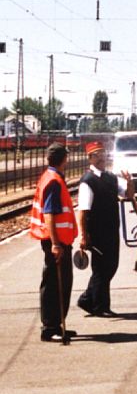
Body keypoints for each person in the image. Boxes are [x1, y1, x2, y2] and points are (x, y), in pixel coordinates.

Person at [75, 141, 134, 317]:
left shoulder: (111, 178)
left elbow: (128, 195)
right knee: (101, 268)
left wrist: (130, 182)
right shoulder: (87, 181)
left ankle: (90, 301)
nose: (101, 157)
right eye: (96, 154)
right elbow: (83, 211)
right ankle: (98, 305)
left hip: (111, 230)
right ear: (90, 158)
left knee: (111, 266)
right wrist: (83, 236)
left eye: (102, 153)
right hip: (97, 232)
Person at [28, 143, 79, 342]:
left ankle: (57, 324)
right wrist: (56, 244)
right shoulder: (54, 181)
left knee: (62, 283)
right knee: (54, 284)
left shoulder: (50, 177)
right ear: (64, 159)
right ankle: (50, 328)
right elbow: (49, 213)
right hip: (55, 241)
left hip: (57, 240)